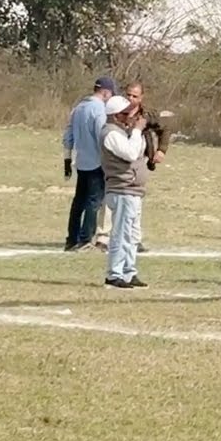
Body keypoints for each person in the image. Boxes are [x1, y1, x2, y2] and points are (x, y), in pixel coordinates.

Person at [93, 81, 168, 252]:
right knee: (112, 199)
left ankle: (135, 239)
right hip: (119, 161)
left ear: (142, 98)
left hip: (137, 161)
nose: (131, 99)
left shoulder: (146, 115)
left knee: (134, 202)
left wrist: (161, 150)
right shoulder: (115, 116)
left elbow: (165, 128)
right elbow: (124, 148)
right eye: (128, 95)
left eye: (135, 96)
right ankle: (104, 237)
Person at [99, 95, 150, 289]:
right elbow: (130, 153)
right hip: (121, 190)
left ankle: (129, 272)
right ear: (115, 116)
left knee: (131, 234)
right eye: (127, 113)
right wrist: (136, 131)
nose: (131, 116)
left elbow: (139, 151)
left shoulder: (123, 132)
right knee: (120, 233)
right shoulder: (111, 134)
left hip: (132, 190)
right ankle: (114, 274)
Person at [62, 76, 115, 252]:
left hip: (81, 161)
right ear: (106, 92)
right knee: (94, 202)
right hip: (96, 162)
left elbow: (68, 134)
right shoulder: (99, 109)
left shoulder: (79, 108)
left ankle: (71, 239)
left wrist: (67, 159)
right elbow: (102, 135)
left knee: (79, 201)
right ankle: (85, 239)